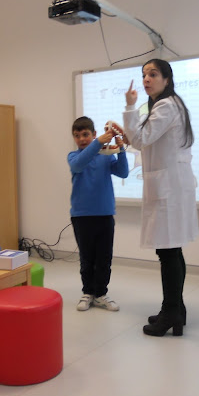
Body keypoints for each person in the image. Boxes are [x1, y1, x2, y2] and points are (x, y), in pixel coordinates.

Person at [122, 59, 198, 337]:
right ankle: (177, 308)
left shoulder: (166, 105)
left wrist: (130, 107)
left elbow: (140, 140)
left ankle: (171, 312)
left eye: (153, 74)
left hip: (169, 190)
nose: (146, 79)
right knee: (172, 250)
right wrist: (129, 132)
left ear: (167, 79)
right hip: (171, 186)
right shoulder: (169, 104)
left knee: (168, 252)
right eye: (144, 74)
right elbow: (145, 139)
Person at [68, 116, 129, 312]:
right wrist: (97, 143)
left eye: (85, 134)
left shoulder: (106, 155)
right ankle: (88, 292)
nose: (81, 139)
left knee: (104, 258)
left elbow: (123, 172)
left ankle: (101, 293)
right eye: (77, 135)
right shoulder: (73, 156)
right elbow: (78, 165)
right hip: (81, 216)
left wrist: (121, 150)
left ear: (93, 134)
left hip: (105, 215)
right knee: (87, 259)